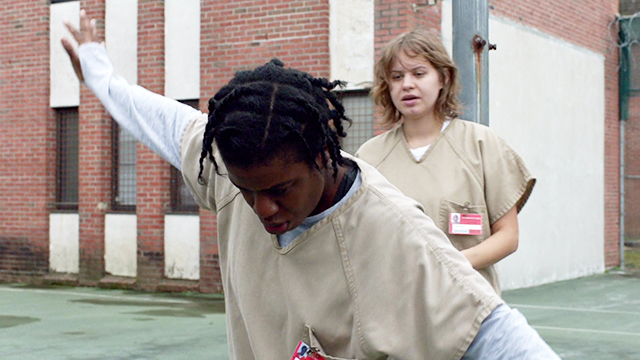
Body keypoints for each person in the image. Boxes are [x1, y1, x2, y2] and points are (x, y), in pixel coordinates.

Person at [62, 10, 557, 359]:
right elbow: (165, 123)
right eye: (248, 191)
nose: (262, 209)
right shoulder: (232, 161)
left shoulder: (396, 233)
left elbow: (495, 335)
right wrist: (100, 76)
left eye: (280, 190)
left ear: (323, 157)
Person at [356, 29, 536, 295]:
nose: (407, 84)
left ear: (443, 78)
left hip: (468, 308)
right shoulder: (368, 159)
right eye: (397, 77)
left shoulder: (481, 145)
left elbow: (508, 237)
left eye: (418, 73)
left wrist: (448, 265)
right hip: (396, 309)